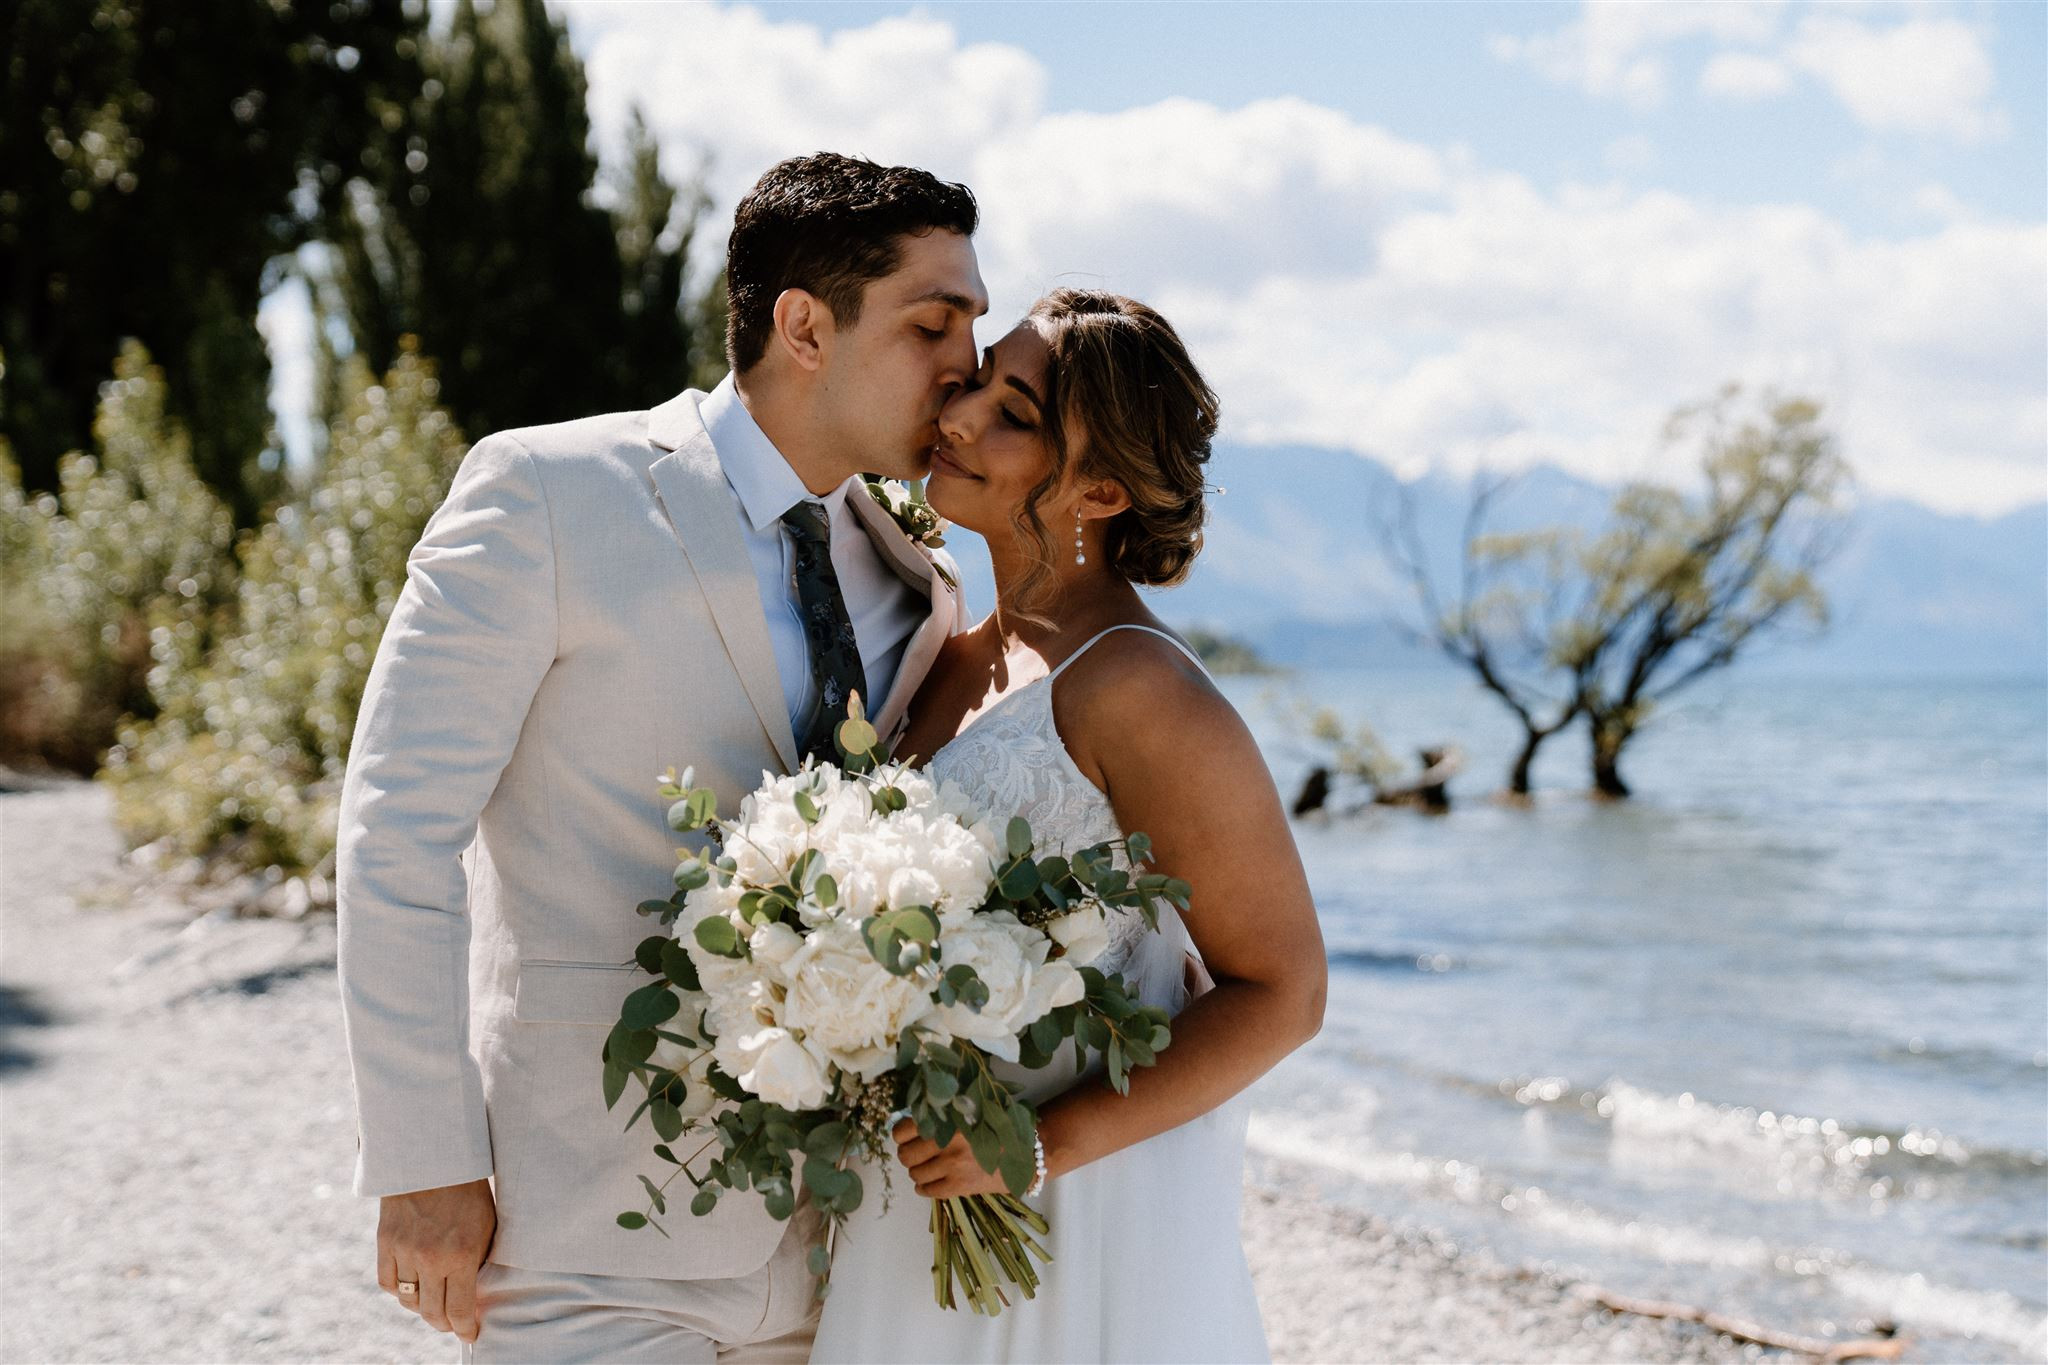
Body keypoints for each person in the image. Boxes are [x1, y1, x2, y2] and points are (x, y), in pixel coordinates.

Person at [334, 151, 987, 1363]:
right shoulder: (544, 493)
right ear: (803, 324)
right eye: (932, 323)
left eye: (975, 325)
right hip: (583, 1224)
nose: (968, 365)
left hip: (837, 1241)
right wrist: (422, 1162)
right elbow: (396, 829)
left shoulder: (916, 576)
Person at [812, 289, 1328, 1362]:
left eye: (1012, 413)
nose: (954, 418)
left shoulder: (1138, 689)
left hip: (1077, 1213)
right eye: (971, 382)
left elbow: (1283, 991)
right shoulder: (947, 648)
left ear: (1098, 487)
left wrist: (1036, 1150)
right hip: (913, 1184)